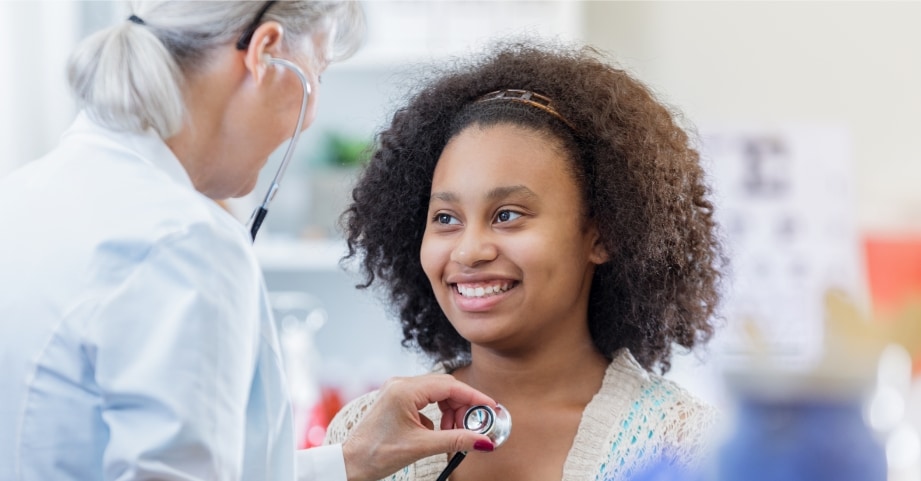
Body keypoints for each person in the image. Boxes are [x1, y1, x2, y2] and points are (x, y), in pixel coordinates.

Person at [0, 2, 498, 481]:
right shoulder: (183, 240)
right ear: (266, 52)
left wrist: (349, 462)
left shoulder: (20, 199)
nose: (308, 119)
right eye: (318, 74)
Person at [326, 41, 725, 481]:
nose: (468, 250)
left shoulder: (688, 447)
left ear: (601, 234)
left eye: (508, 215)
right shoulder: (360, 436)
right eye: (445, 218)